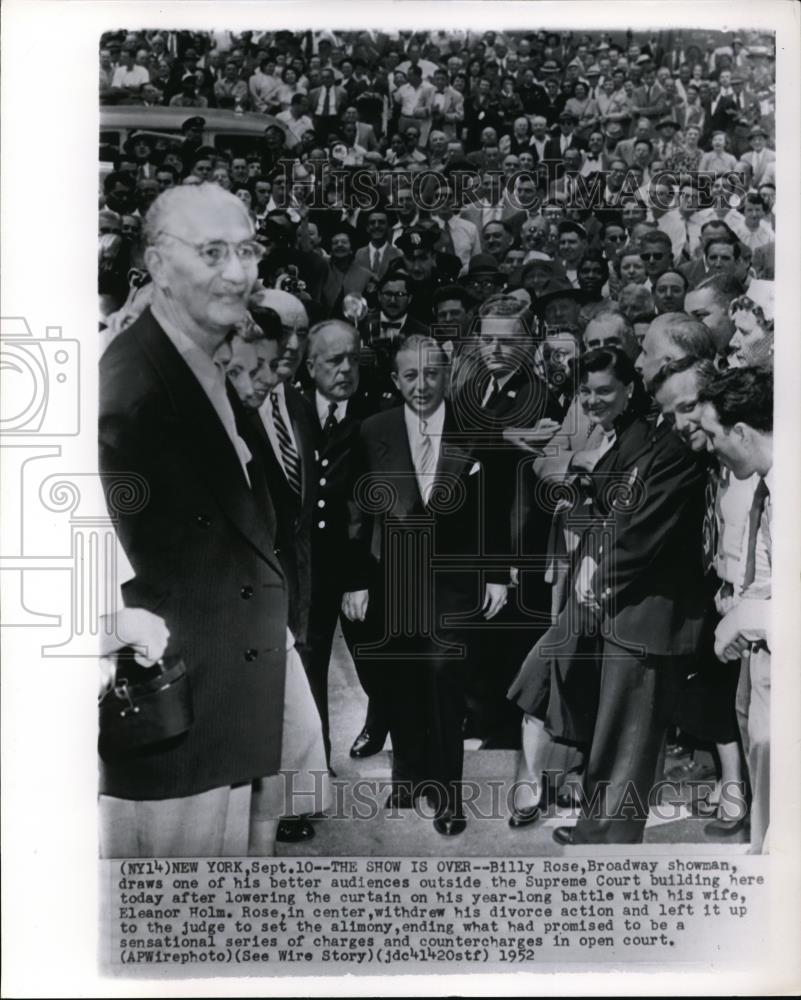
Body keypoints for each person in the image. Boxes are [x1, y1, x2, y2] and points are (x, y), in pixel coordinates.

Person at [98, 183, 292, 857]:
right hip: (177, 727)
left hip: (223, 715)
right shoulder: (129, 390)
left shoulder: (199, 363)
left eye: (246, 250)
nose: (237, 272)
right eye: (211, 252)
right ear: (156, 264)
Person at [343, 335, 510, 835]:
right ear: (395, 380)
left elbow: (495, 510)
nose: (421, 384)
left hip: (454, 577)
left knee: (443, 675)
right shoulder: (373, 431)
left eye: (431, 374)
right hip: (392, 575)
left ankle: (448, 794)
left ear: (448, 374)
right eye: (410, 375)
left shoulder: (476, 431)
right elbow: (357, 510)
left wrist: (498, 573)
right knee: (401, 677)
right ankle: (409, 774)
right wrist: (355, 580)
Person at [698, 368, 773, 853]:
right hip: (762, 659)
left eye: (712, 434)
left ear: (741, 431)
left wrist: (745, 620)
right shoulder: (768, 487)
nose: (708, 447)